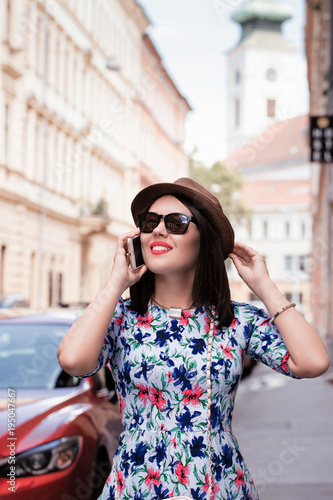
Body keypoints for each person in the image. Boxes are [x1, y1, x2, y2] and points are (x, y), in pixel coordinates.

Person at [58, 178, 330, 500]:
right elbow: (74, 361)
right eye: (150, 222)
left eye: (176, 223)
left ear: (205, 240)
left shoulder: (236, 320)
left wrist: (264, 286)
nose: (159, 230)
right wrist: (115, 283)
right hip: (135, 486)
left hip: (220, 487)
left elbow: (313, 363)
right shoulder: (120, 317)